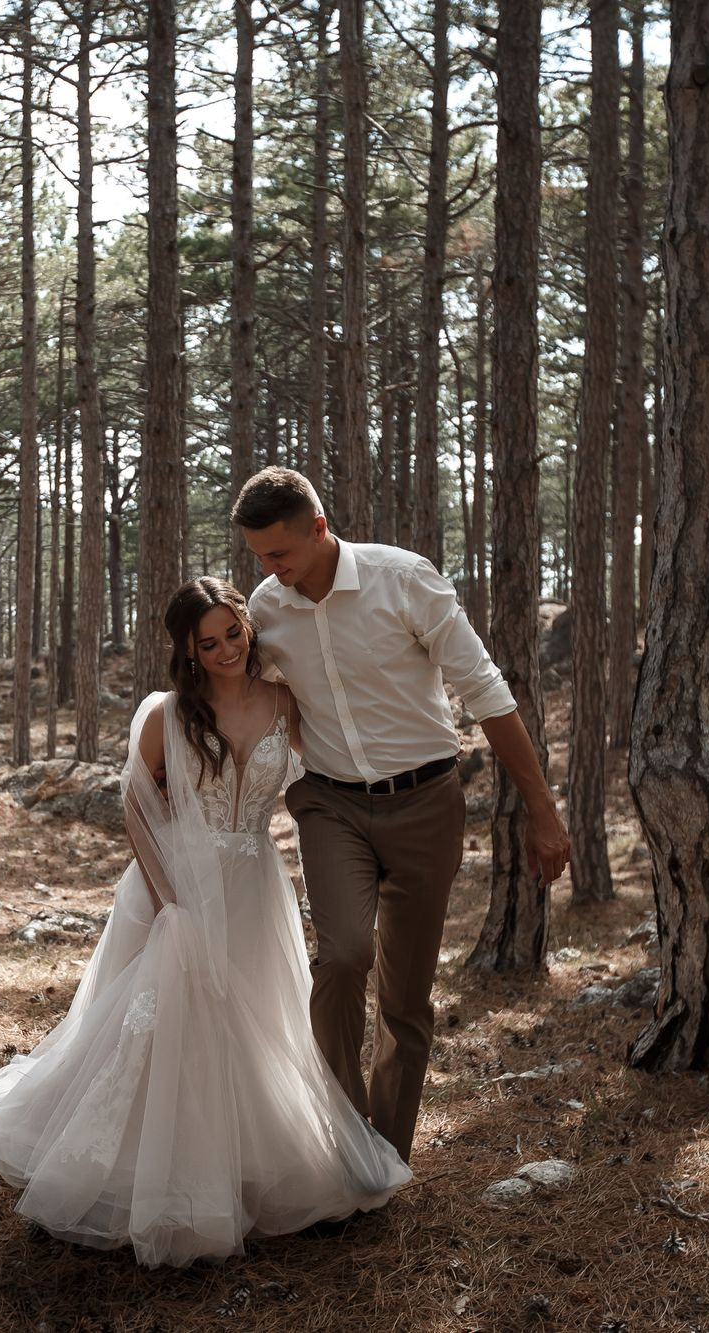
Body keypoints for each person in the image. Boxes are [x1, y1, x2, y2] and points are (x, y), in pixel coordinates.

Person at [0, 577, 410, 1267]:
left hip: (255, 886)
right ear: (189, 650)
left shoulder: (283, 701)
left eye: (234, 631)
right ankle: (158, 1174)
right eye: (210, 641)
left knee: (258, 1021)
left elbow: (330, 768)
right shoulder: (168, 714)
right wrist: (169, 899)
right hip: (176, 882)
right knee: (166, 1021)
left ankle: (252, 1162)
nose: (228, 648)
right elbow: (135, 805)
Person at [233, 467, 570, 1163]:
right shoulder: (266, 607)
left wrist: (542, 808)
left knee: (405, 998)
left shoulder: (404, 580)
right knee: (344, 954)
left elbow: (485, 690)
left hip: (426, 803)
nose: (268, 570)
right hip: (329, 804)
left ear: (319, 529)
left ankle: (385, 1155)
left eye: (279, 554)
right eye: (258, 556)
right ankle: (340, 1142)